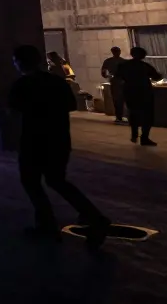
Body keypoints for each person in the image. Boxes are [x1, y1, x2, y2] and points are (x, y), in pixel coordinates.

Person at [9, 44, 109, 246]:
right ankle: (94, 216)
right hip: (59, 138)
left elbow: (14, 109)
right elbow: (71, 105)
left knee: (31, 181)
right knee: (57, 180)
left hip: (33, 139)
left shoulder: (22, 84)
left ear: (19, 62)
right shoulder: (56, 81)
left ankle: (46, 224)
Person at [116, 46, 161, 146]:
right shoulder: (145, 66)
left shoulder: (123, 65)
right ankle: (144, 137)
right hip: (144, 92)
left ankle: (134, 134)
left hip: (130, 92)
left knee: (133, 113)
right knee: (147, 115)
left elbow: (118, 76)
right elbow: (157, 77)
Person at [101, 46, 127, 125]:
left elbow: (103, 72)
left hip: (117, 81)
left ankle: (119, 116)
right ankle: (120, 116)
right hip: (120, 81)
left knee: (118, 100)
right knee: (119, 100)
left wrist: (107, 76)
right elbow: (103, 72)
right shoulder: (123, 61)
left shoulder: (109, 61)